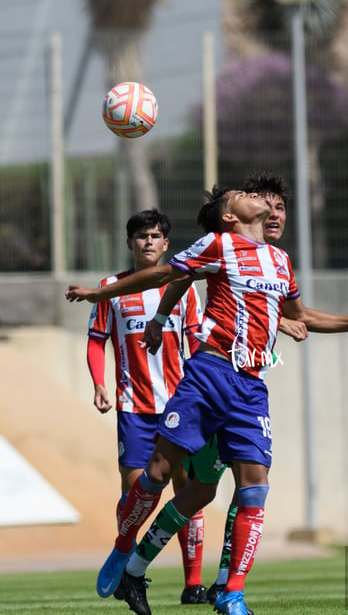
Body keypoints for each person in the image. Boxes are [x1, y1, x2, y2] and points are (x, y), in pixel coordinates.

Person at [66, 184, 348, 615]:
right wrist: (102, 294)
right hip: (208, 375)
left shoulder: (281, 260)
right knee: (160, 474)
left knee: (253, 490)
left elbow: (300, 316)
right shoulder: (219, 244)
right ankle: (124, 551)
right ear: (229, 216)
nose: (258, 198)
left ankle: (230, 592)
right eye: (243, 195)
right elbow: (168, 274)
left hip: (250, 386)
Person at [86, 208, 209, 605]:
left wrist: (203, 393)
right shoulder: (110, 287)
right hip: (133, 406)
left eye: (156, 235)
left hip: (179, 403)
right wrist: (99, 383)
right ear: (129, 243)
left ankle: (192, 584)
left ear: (167, 243)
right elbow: (95, 340)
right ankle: (127, 562)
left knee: (188, 489)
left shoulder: (185, 287)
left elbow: (197, 344)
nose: (149, 242)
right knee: (136, 491)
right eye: (141, 236)